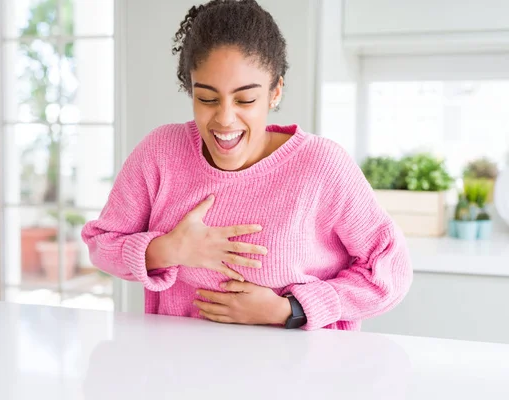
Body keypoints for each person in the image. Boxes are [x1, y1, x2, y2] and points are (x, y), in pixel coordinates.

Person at [82, 0, 412, 330]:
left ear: (275, 92)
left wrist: (291, 309)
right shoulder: (162, 152)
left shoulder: (321, 166)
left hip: (299, 373)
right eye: (207, 98)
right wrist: (167, 249)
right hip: (180, 371)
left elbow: (390, 272)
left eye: (246, 99)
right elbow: (101, 243)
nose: (224, 119)